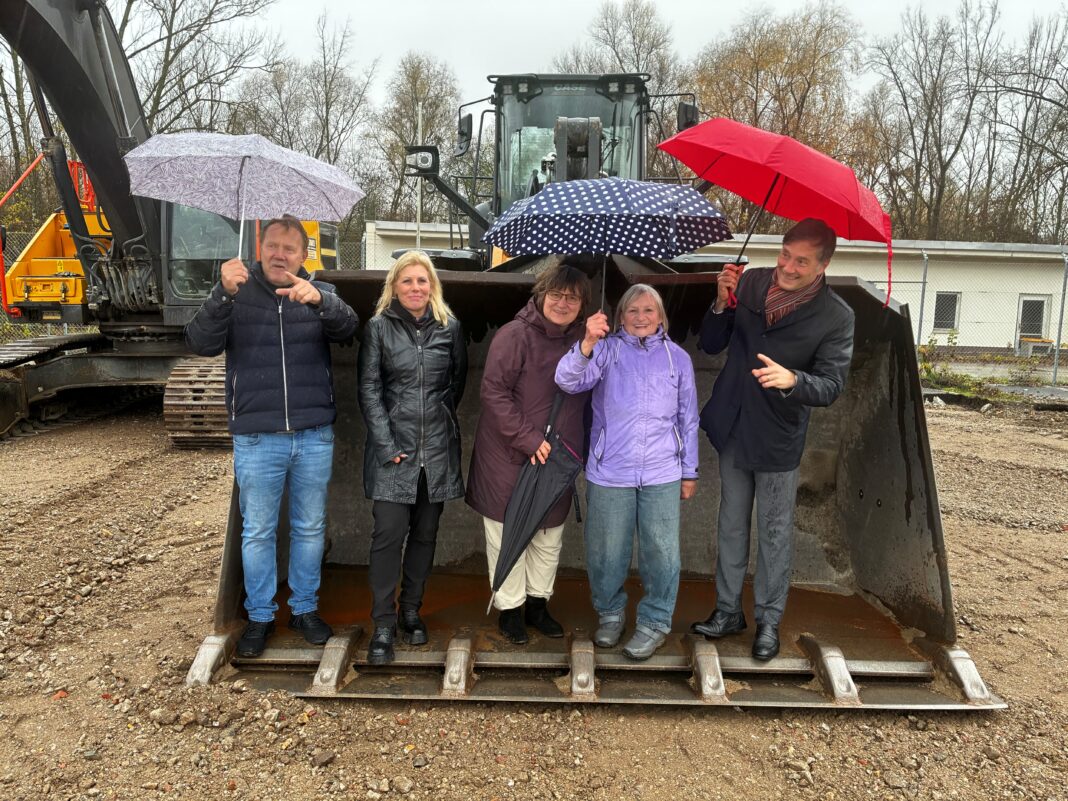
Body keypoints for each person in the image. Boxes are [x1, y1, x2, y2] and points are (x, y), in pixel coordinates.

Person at [185, 214, 358, 658]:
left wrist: (321, 301)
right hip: (258, 438)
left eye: (290, 248)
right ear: (259, 247)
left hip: (313, 433)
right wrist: (221, 293)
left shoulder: (318, 291)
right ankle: (260, 615)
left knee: (309, 527)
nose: (280, 254)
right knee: (258, 531)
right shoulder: (236, 290)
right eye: (273, 246)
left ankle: (304, 610)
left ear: (304, 255)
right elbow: (200, 342)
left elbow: (349, 330)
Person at [691, 217, 855, 661]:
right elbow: (710, 344)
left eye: (801, 261)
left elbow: (830, 386)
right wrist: (721, 304)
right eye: (785, 254)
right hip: (733, 424)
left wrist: (792, 379)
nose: (788, 266)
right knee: (730, 524)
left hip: (778, 437)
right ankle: (727, 612)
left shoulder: (837, 317)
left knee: (775, 531)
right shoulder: (751, 283)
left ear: (822, 266)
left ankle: (768, 621)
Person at [555, 284, 699, 661]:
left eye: (648, 310)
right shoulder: (605, 350)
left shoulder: (677, 358)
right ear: (619, 317)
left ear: (660, 316)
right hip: (610, 470)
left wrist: (689, 471)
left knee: (662, 553)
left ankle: (653, 622)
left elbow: (688, 418)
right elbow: (567, 380)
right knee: (606, 551)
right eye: (632, 311)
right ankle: (611, 612)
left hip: (662, 471)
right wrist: (587, 340)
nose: (640, 318)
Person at [466, 263, 592, 645]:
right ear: (540, 295)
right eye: (556, 294)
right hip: (509, 458)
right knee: (508, 533)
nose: (563, 303)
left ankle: (538, 605)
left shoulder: (586, 341)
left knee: (548, 535)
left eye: (573, 297)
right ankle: (510, 610)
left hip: (557, 458)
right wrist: (528, 438)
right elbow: (493, 394)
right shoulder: (514, 335)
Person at [357, 250, 467, 665]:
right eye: (407, 281)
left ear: (432, 286)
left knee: (425, 536)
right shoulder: (378, 329)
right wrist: (388, 447)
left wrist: (436, 427)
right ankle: (383, 623)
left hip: (435, 452)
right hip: (394, 453)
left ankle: (410, 611)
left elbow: (454, 386)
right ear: (394, 287)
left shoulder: (449, 328)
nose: (416, 288)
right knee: (387, 538)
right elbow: (369, 390)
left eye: (423, 281)